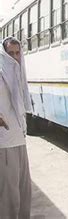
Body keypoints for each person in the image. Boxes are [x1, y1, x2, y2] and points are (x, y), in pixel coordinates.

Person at [0, 37, 33, 218]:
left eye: (17, 53)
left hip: (19, 139)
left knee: (23, 192)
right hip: (4, 143)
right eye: (10, 53)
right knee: (9, 196)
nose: (15, 57)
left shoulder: (18, 74)